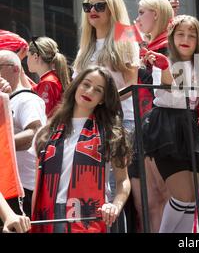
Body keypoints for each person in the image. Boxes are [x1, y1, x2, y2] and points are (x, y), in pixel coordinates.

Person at [141, 14, 199, 233]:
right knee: (181, 196)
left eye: (191, 35)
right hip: (167, 127)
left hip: (195, 129)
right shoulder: (164, 61)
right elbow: (173, 88)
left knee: (191, 201)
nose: (185, 39)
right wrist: (165, 68)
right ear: (171, 37)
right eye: (180, 34)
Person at [31, 66, 132, 233]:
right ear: (76, 85)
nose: (90, 91)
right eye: (86, 84)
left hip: (90, 215)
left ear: (102, 99)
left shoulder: (111, 134)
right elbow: (37, 185)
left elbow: (123, 180)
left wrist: (115, 205)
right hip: (48, 215)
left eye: (98, 90)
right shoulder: (47, 131)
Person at [73, 0, 139, 232]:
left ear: (112, 9)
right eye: (88, 6)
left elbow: (133, 85)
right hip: (88, 125)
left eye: (99, 6)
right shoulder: (85, 46)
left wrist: (103, 103)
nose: (92, 11)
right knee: (94, 190)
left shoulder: (125, 36)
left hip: (120, 122)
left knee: (112, 192)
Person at [131, 0, 174, 232]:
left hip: (162, 126)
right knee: (147, 203)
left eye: (140, 12)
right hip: (141, 128)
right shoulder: (146, 48)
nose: (137, 19)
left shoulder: (169, 46)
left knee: (166, 196)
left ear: (155, 14)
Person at [0, 50, 46, 218]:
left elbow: (35, 133)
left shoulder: (27, 99)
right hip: (10, 186)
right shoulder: (6, 99)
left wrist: (5, 144)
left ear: (15, 69)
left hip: (24, 188)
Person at [26, 36, 70, 117]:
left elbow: (45, 116)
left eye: (27, 56)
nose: (26, 60)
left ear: (35, 56)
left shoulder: (48, 82)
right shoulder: (51, 79)